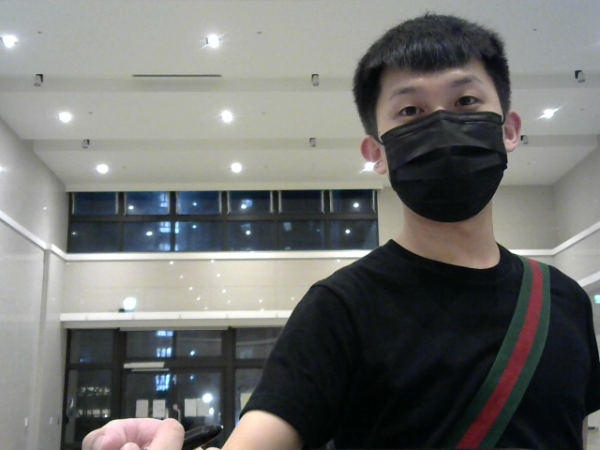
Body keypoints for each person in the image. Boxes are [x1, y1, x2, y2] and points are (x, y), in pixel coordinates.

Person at [83, 13, 600, 450]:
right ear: (377, 153)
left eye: (466, 102)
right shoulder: (342, 307)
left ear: (509, 130)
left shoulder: (565, 301)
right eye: (411, 111)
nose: (442, 126)